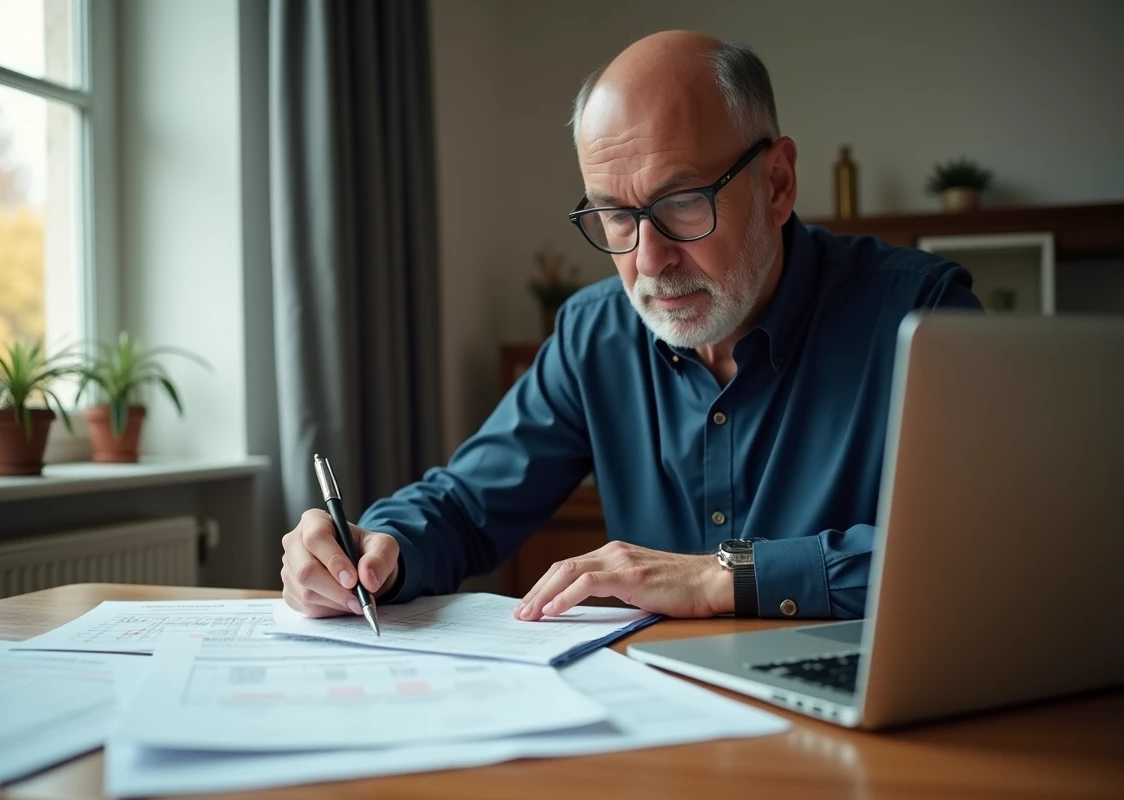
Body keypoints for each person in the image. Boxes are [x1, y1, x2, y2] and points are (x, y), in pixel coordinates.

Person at [280, 31, 981, 623]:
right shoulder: (595, 334)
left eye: (682, 202)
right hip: (655, 713)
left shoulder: (921, 317)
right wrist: (377, 548)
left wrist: (726, 577)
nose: (649, 261)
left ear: (777, 184)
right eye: (616, 215)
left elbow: (982, 551)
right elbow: (466, 504)